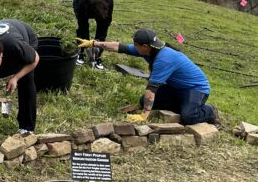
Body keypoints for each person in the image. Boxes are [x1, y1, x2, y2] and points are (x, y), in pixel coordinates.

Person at [83, 28, 218, 125]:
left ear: (145, 46)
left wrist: (144, 116)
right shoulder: (149, 50)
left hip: (196, 89)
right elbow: (119, 47)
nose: (134, 47)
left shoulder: (164, 59)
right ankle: (185, 105)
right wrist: (93, 43)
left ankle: (210, 111)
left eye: (136, 45)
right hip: (176, 88)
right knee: (144, 101)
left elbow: (151, 90)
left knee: (188, 117)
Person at [73, 0, 113, 70]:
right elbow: (83, 26)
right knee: (82, 29)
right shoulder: (83, 4)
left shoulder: (109, 3)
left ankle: (97, 57)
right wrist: (86, 45)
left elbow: (103, 30)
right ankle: (81, 54)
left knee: (102, 29)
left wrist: (97, 46)